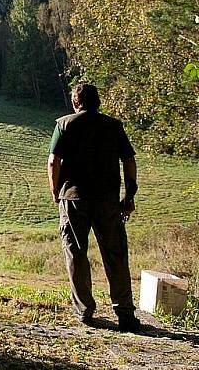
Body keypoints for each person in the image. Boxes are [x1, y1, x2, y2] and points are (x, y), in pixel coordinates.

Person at [47, 83, 141, 332]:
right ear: (97, 102)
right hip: (108, 200)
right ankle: (124, 313)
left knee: (76, 253)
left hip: (74, 198)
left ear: (76, 103)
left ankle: (85, 310)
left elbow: (53, 161)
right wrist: (129, 195)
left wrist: (56, 191)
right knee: (116, 254)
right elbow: (129, 161)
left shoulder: (64, 124)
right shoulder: (114, 126)